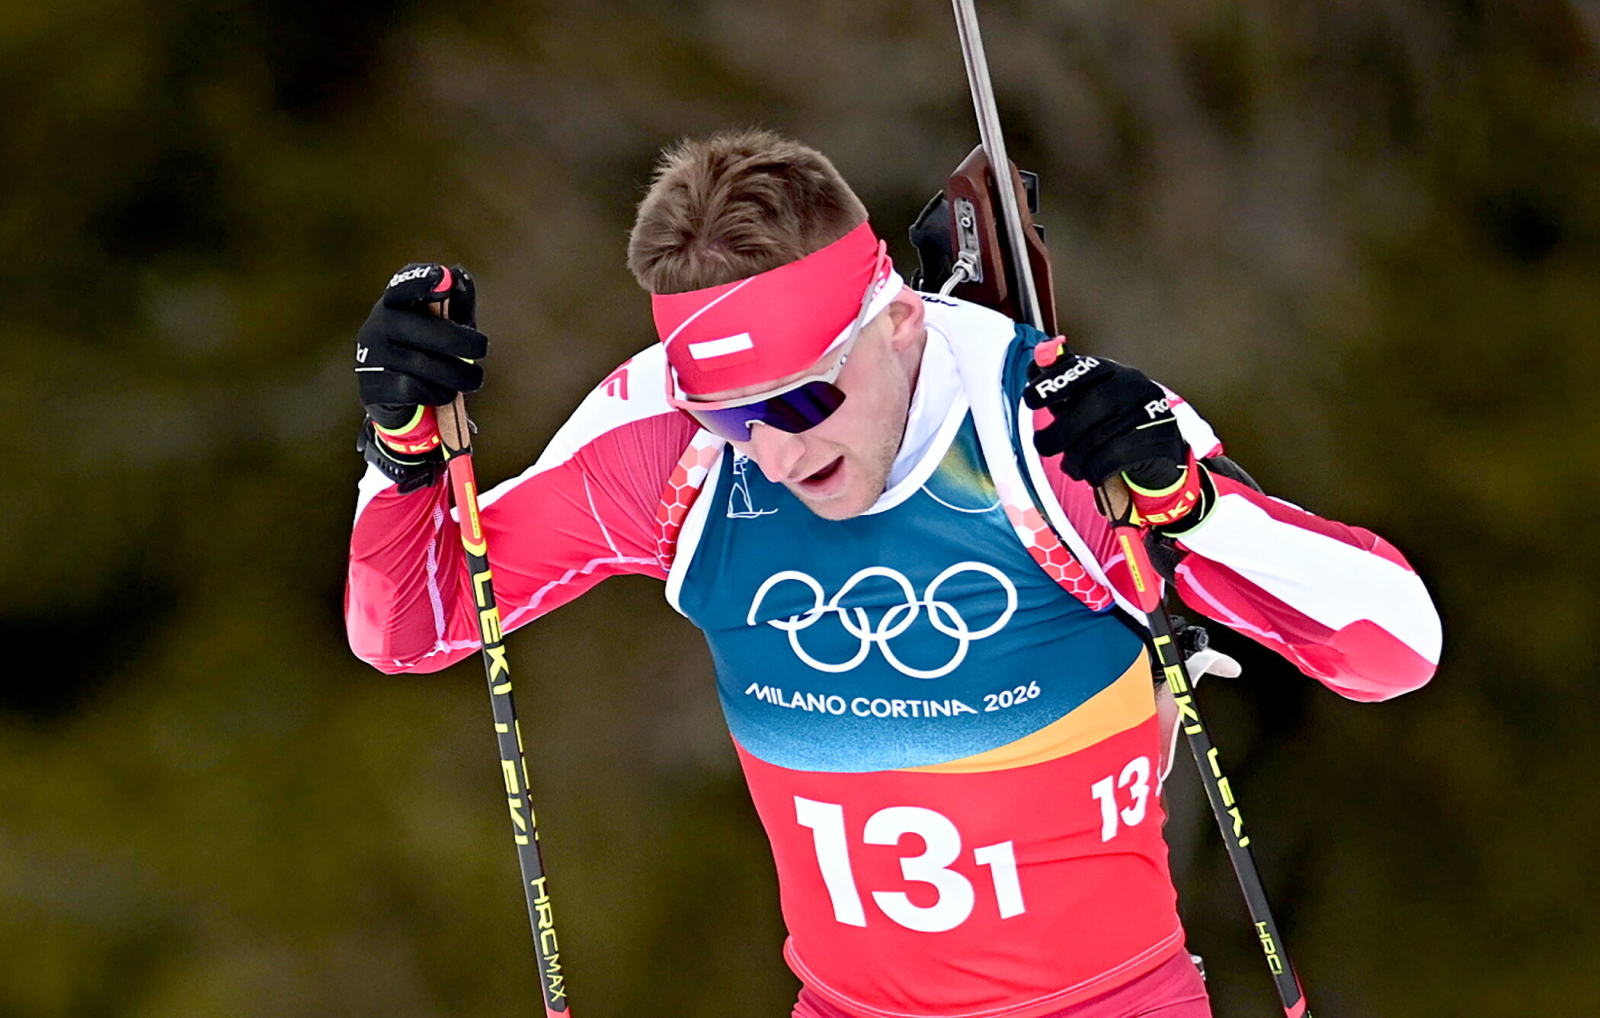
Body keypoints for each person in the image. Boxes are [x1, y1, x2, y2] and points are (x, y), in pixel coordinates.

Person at [345, 130, 1441, 1018]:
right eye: (731, 415)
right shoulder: (662, 441)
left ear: (900, 320)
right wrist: (400, 453)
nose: (773, 451)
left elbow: (1397, 646)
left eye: (804, 399)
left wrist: (1193, 511)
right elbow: (412, 624)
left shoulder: (1044, 428)